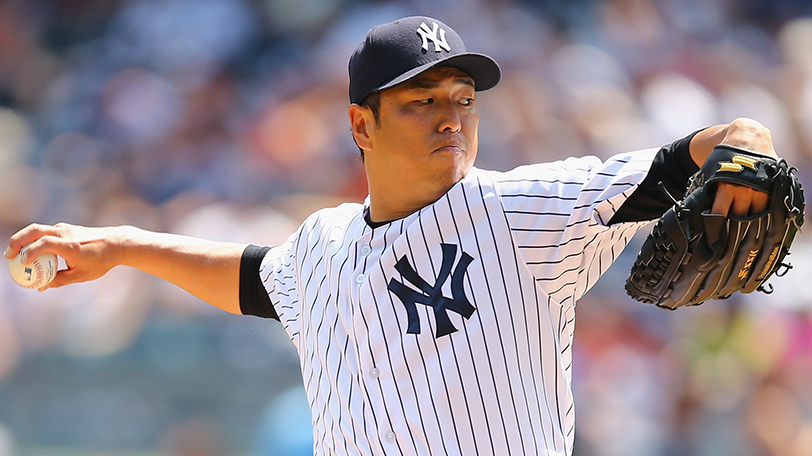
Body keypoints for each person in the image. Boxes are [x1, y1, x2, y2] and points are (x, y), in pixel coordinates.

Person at [5, 16, 777, 456]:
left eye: (463, 98)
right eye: (420, 101)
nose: (451, 116)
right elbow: (250, 277)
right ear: (360, 124)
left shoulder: (528, 211)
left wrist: (747, 145)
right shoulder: (323, 245)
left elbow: (705, 149)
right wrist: (121, 247)